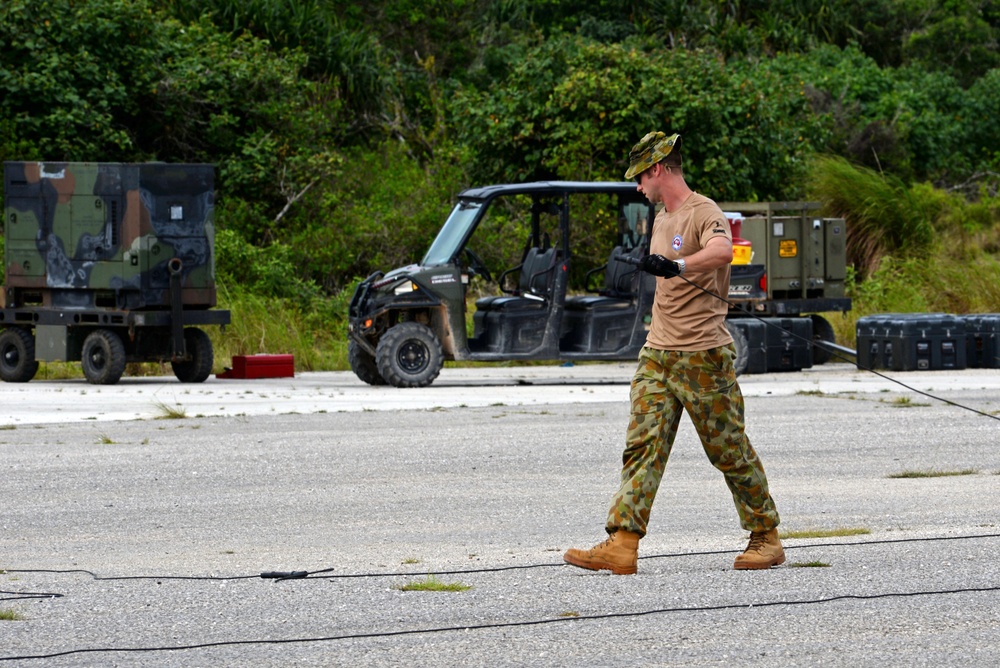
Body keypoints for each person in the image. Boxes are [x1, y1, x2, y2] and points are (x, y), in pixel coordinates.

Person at [563, 131, 784, 574]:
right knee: (642, 446)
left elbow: (723, 251)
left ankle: (766, 535)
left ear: (659, 169)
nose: (638, 186)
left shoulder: (704, 211)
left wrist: (679, 265)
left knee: (728, 449)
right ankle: (622, 543)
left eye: (641, 176)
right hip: (658, 353)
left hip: (702, 355)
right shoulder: (660, 218)